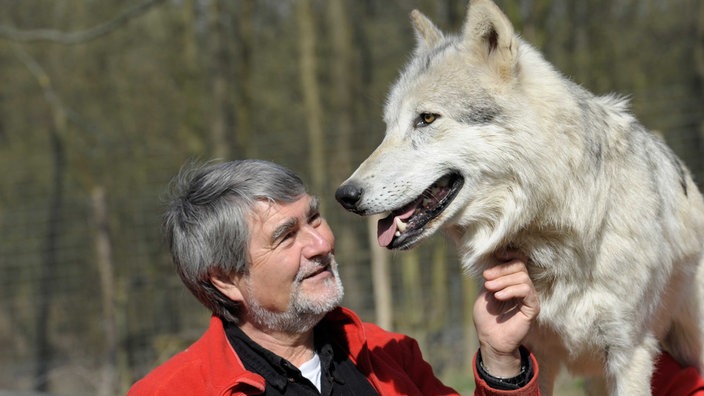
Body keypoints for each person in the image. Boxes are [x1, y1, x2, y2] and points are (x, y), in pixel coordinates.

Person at [128, 159, 704, 396]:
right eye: (287, 236)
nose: (322, 244)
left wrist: (500, 357)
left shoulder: (389, 358)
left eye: (315, 218)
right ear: (226, 280)